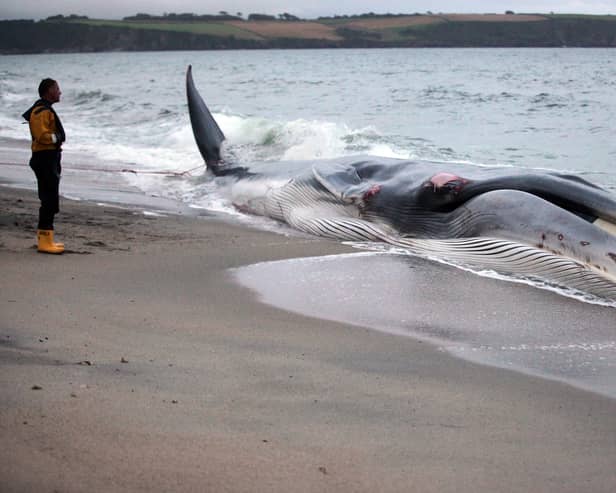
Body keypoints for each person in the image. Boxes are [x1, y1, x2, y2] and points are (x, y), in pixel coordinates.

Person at [22, 78, 66, 254]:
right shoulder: (40, 111)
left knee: (51, 198)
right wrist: (58, 137)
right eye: (57, 89)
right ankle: (44, 242)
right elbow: (42, 136)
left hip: (50, 157)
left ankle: (47, 238)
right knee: (48, 199)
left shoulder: (46, 109)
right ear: (48, 91)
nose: (60, 92)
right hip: (44, 158)